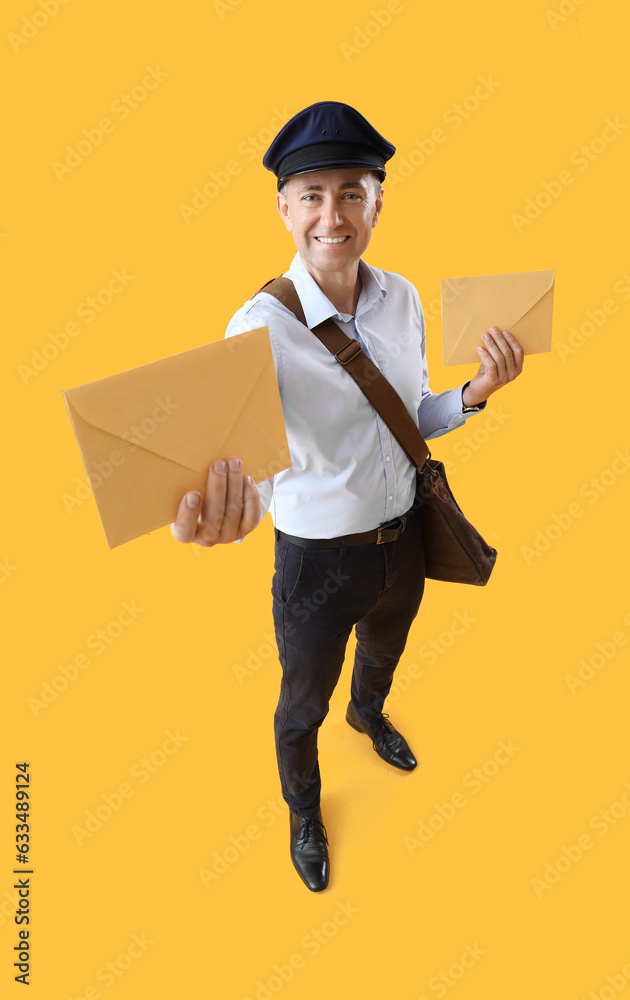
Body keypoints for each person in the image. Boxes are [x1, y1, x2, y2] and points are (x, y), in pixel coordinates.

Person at [171, 101, 524, 892]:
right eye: (313, 195)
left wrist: (475, 391)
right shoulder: (255, 326)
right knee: (300, 707)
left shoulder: (400, 297)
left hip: (401, 542)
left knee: (385, 652)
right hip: (313, 564)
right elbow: (244, 468)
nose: (333, 215)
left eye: (352, 193)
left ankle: (369, 716)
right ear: (284, 208)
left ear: (377, 200)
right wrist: (223, 513)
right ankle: (304, 809)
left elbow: (415, 414)